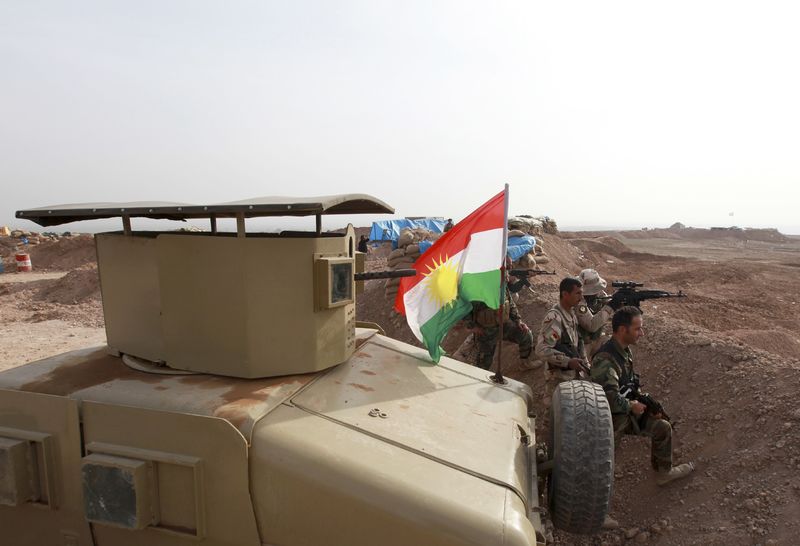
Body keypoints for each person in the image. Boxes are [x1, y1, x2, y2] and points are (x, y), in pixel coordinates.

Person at [590, 306, 694, 486]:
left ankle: (663, 473)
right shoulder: (606, 360)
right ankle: (595, 508)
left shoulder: (624, 351)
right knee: (602, 466)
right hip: (606, 420)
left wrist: (645, 404)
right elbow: (607, 399)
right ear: (623, 330)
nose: (642, 333)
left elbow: (627, 386)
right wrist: (632, 406)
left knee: (662, 427)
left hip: (624, 413)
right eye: (637, 329)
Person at [577, 268, 614, 357]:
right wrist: (610, 307)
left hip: (596, 339)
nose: (597, 292)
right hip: (580, 345)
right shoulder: (577, 302)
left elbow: (605, 299)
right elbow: (592, 326)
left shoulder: (598, 293)